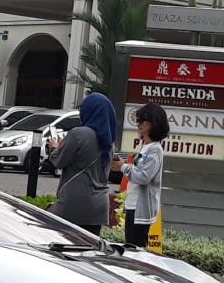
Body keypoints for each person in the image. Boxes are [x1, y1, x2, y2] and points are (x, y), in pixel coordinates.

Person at [47, 92, 117, 236]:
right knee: (88, 252)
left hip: (74, 203)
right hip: (99, 207)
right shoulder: (110, 143)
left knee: (63, 249)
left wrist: (53, 146)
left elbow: (57, 161)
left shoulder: (78, 134)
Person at [112, 103, 170, 247]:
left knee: (136, 252)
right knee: (132, 248)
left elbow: (144, 177)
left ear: (154, 122)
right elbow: (139, 172)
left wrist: (123, 167)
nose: (138, 124)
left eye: (142, 120)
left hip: (141, 210)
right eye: (137, 121)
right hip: (134, 207)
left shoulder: (155, 150)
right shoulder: (146, 147)